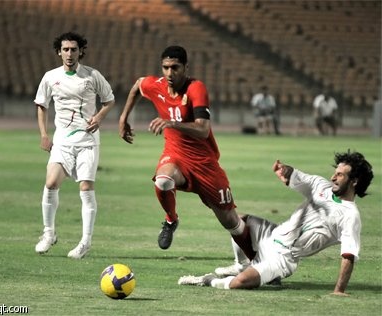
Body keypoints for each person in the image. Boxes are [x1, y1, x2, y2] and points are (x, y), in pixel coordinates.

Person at [118, 46, 255, 259]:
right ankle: (171, 219)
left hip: (204, 163)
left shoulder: (196, 88)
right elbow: (137, 85)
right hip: (176, 155)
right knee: (163, 180)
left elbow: (203, 129)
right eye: (165, 68)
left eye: (175, 68)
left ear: (185, 68)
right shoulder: (156, 85)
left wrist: (171, 123)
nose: (169, 73)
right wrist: (123, 118)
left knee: (231, 221)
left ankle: (260, 260)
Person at [178, 150, 373, 296]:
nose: (333, 177)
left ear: (354, 181)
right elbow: (296, 176)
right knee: (238, 219)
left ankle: (208, 280)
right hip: (271, 233)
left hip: (284, 258)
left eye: (340, 175)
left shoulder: (350, 215)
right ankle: (241, 264)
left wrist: (339, 290)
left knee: (240, 283)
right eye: (335, 172)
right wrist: (284, 170)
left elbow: (348, 256)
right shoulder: (321, 186)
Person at [34, 32, 115, 259]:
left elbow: (109, 99)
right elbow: (42, 105)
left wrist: (98, 117)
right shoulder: (50, 77)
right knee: (50, 183)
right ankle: (49, 233)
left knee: (86, 189)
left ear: (81, 51)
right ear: (59, 52)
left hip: (87, 142)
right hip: (62, 141)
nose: (69, 54)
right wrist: (43, 134)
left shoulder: (91, 75)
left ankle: (85, 242)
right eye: (65, 49)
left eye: (74, 49)